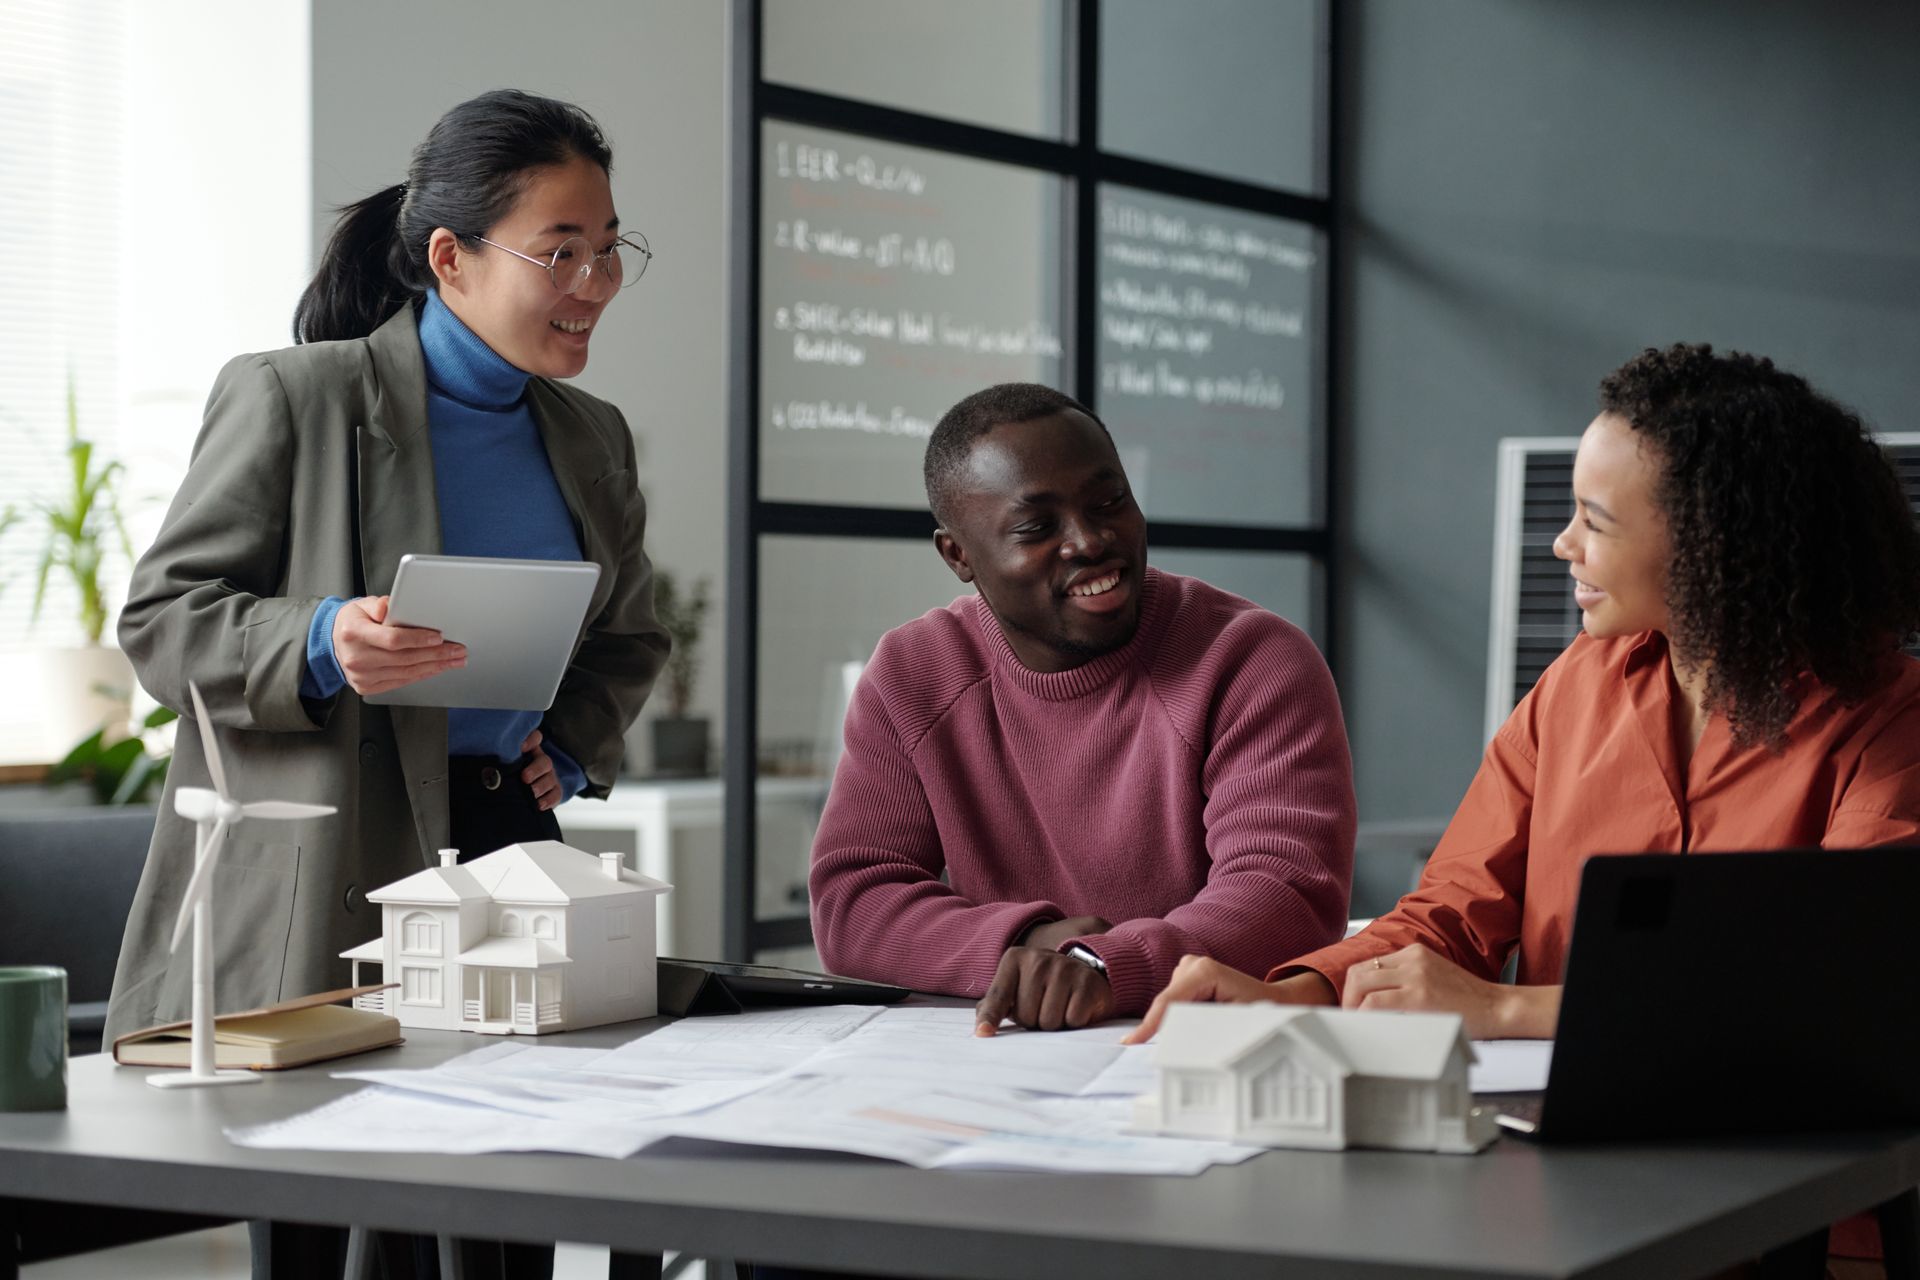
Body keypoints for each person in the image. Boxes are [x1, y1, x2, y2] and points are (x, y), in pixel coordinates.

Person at [1125, 343, 1920, 1273]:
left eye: (1594, 519)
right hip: (1550, 1187)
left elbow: (1837, 1003)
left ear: (1713, 545)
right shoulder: (1574, 687)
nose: (1563, 545)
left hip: (1799, 1217)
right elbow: (1447, 918)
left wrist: (1505, 1010)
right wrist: (1288, 997)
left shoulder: (1890, 718)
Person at [103, 89, 668, 1279]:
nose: (596, 280)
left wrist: (563, 748)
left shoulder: (593, 435)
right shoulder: (296, 396)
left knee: (510, 1206)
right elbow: (160, 622)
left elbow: (628, 631)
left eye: (610, 246)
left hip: (510, 843)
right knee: (328, 1218)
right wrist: (318, 638)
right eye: (561, 250)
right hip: (338, 852)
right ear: (450, 259)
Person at [808, 383, 1356, 1035]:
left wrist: (1106, 966)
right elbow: (855, 903)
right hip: (1000, 1059)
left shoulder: (1252, 660)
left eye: (1110, 502)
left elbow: (1285, 896)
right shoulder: (913, 675)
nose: (1091, 541)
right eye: (1038, 527)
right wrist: (1030, 945)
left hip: (1206, 1052)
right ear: (958, 554)